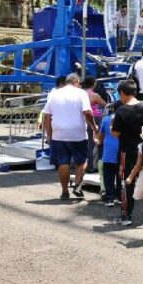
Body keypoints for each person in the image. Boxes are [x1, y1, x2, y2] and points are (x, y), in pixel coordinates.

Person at [42, 73, 97, 201]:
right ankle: (77, 185)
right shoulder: (81, 93)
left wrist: (49, 134)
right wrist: (94, 126)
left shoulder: (54, 93)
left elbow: (47, 116)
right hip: (78, 133)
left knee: (63, 162)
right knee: (81, 161)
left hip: (59, 133)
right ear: (76, 81)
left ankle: (64, 191)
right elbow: (87, 112)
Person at [111, 79, 143, 225]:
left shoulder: (121, 111)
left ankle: (126, 214)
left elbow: (115, 133)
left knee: (126, 181)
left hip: (126, 151)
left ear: (122, 93)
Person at [98, 103, 121, 206]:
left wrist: (99, 142)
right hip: (121, 150)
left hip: (108, 151)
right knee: (121, 175)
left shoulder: (106, 119)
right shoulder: (125, 119)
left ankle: (110, 198)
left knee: (108, 175)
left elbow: (101, 135)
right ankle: (119, 197)